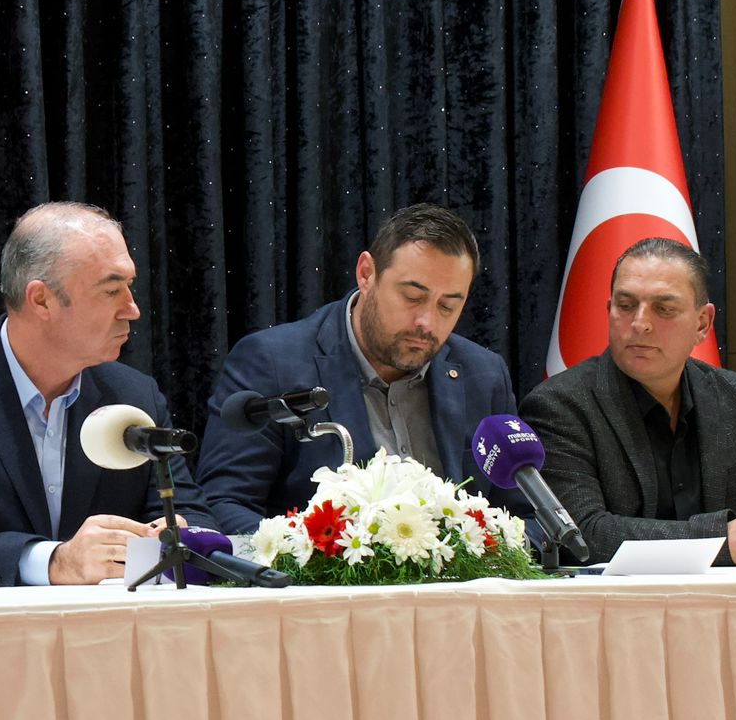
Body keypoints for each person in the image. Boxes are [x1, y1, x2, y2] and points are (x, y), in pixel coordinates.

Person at [0, 201, 209, 586]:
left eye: (129, 287)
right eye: (111, 290)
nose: (132, 309)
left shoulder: (134, 395)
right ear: (41, 300)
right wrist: (53, 561)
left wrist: (175, 530)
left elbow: (194, 514)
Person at [195, 203, 520, 534]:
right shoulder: (273, 363)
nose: (427, 322)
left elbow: (525, 517)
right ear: (366, 274)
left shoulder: (483, 374)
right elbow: (223, 504)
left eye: (448, 306)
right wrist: (305, 553)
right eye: (412, 296)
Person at [518, 238, 736, 565]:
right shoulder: (559, 405)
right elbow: (582, 535)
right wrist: (719, 540)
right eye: (625, 305)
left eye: (663, 309)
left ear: (702, 323)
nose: (640, 323)